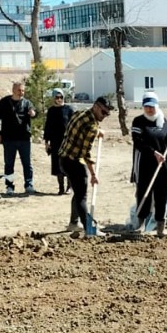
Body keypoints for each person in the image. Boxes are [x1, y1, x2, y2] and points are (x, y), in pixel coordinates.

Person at [58, 96, 115, 237]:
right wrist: (93, 175)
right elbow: (86, 154)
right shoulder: (92, 128)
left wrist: (98, 131)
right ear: (95, 106)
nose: (105, 116)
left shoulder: (79, 113)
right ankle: (89, 228)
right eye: (103, 112)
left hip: (63, 158)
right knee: (81, 196)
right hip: (74, 161)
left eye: (107, 114)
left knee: (78, 192)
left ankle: (73, 223)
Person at [130, 92, 167, 237]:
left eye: (152, 106)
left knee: (161, 197)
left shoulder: (164, 121)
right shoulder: (138, 121)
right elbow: (138, 142)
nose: (149, 109)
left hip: (162, 167)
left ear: (156, 106)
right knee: (143, 194)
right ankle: (139, 225)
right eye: (146, 106)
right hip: (145, 165)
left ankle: (160, 227)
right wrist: (154, 153)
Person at [0, 82, 37, 195]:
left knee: (27, 163)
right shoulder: (4, 102)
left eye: (23, 90)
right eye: (19, 90)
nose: (21, 92)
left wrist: (33, 113)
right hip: (9, 139)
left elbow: (34, 112)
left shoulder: (27, 103)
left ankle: (29, 184)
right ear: (13, 90)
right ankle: (9, 186)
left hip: (24, 138)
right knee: (9, 164)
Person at [43, 88, 74, 195]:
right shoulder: (51, 111)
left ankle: (69, 187)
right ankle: (61, 188)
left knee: (69, 165)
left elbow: (74, 124)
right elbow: (48, 127)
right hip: (55, 142)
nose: (59, 99)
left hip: (68, 141)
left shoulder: (69, 109)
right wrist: (46, 142)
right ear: (53, 98)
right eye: (57, 97)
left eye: (61, 97)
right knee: (57, 165)